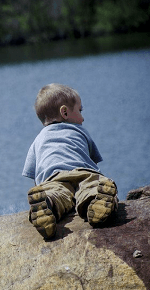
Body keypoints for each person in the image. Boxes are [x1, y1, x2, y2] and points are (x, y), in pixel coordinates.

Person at [22, 83, 118, 239]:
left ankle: (47, 204)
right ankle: (95, 202)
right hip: (84, 173)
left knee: (56, 195)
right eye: (80, 111)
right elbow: (94, 162)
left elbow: (34, 175)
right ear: (65, 112)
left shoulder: (38, 140)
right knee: (92, 186)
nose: (83, 117)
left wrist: (43, 190)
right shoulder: (80, 131)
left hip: (53, 178)